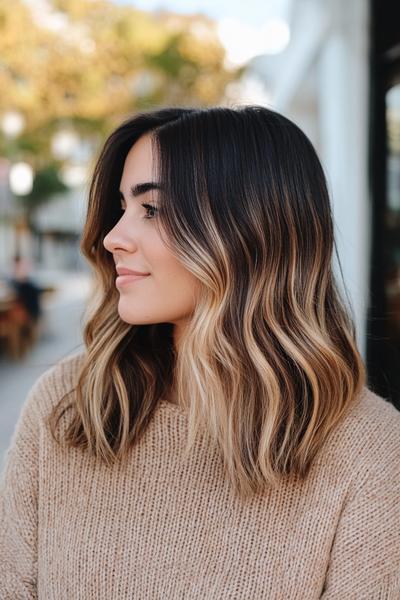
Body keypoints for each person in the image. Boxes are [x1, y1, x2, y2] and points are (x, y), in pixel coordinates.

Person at [1, 106, 399, 598]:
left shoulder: (370, 453)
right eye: (122, 207)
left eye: (152, 210)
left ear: (249, 231)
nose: (112, 238)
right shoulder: (69, 404)